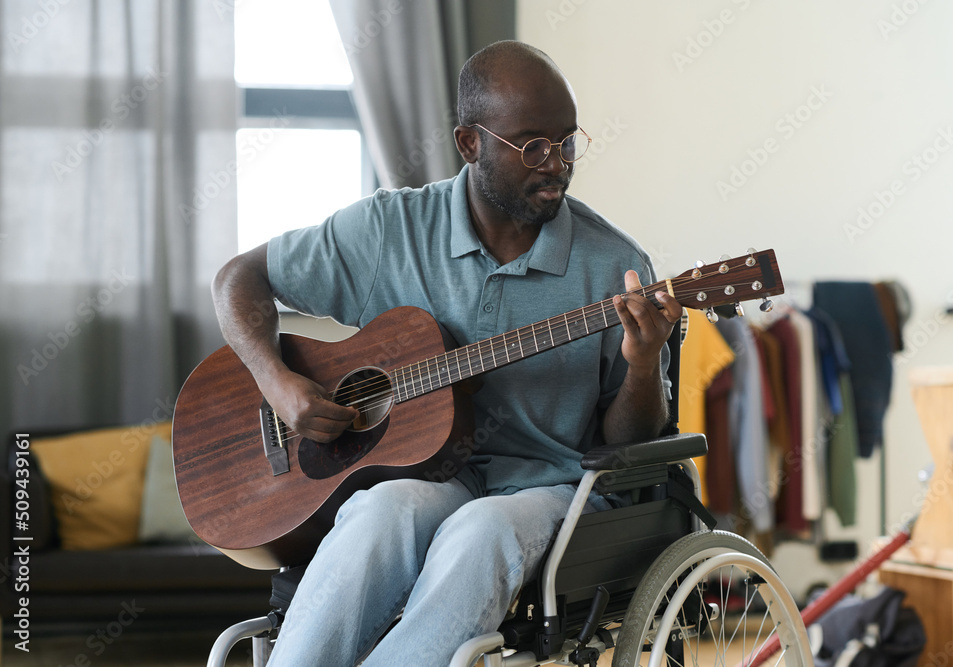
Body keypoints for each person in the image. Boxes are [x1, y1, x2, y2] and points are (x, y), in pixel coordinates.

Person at [211, 40, 682, 666]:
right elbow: (237, 278)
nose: (558, 165)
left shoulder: (614, 265)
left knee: (480, 531)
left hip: (550, 486)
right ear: (470, 143)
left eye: (568, 142)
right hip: (426, 475)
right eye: (533, 146)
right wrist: (276, 381)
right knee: (377, 512)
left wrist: (645, 362)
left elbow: (632, 439)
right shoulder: (389, 230)